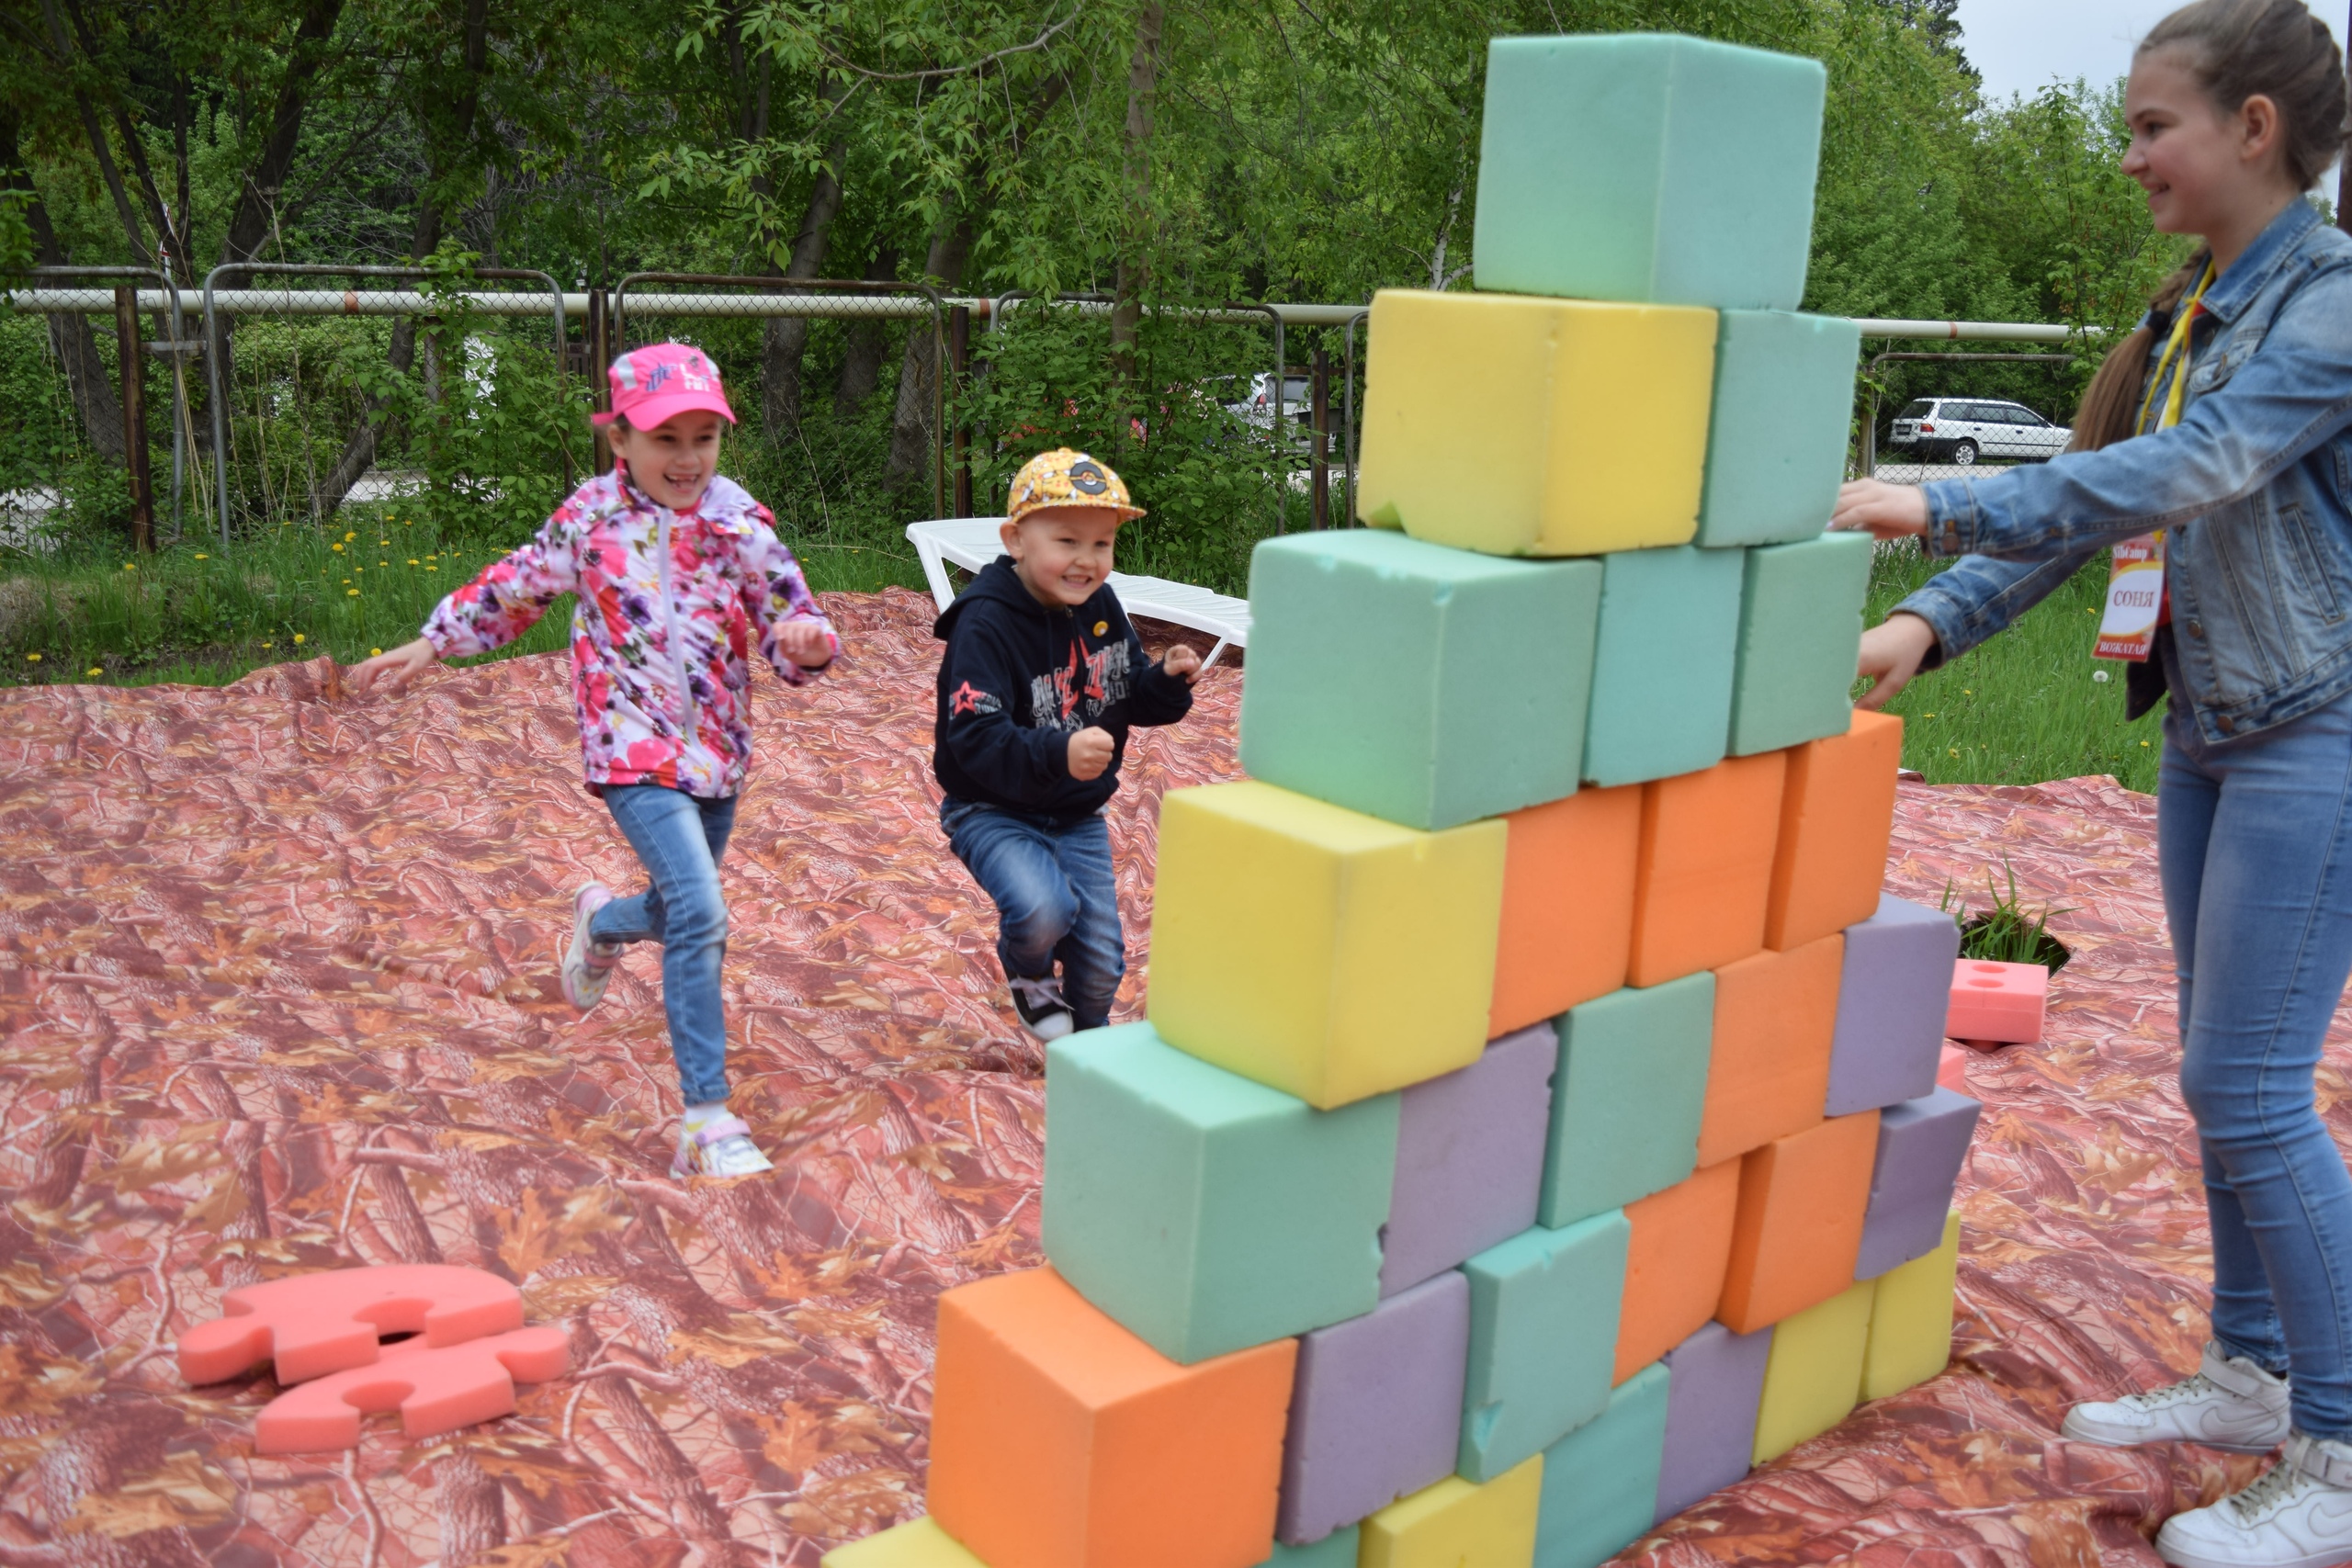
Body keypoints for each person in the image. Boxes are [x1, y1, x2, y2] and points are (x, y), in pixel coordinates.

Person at [1834, 3, 2352, 1562]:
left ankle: (2337, 1446)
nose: (2128, 158)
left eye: (2150, 126)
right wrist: (1930, 622)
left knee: (2250, 1085)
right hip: (2213, 730)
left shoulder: (2329, 306)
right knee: (2218, 1073)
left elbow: (2192, 470)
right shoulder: (2195, 309)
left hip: (2318, 733)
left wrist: (1939, 503)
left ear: (2254, 127)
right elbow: (2096, 513)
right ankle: (2253, 1373)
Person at [351, 343, 839, 1180]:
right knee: (704, 912)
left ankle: (601, 923)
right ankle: (706, 1120)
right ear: (620, 439)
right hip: (629, 745)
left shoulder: (739, 522)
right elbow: (513, 588)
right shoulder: (589, 521)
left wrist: (809, 643)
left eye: (703, 438)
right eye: (665, 439)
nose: (686, 459)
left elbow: (792, 616)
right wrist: (432, 642)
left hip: (718, 753)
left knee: (677, 911)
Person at [933, 448, 1201, 1042]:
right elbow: (973, 735)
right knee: (1043, 908)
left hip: (1076, 811)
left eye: (1102, 543)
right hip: (990, 807)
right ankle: (1028, 971)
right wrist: (1059, 752)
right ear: (1016, 540)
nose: (1086, 559)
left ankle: (1089, 1051)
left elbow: (1129, 691)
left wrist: (1165, 680)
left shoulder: (1100, 605)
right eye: (1067, 541)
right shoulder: (985, 624)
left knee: (1102, 962)